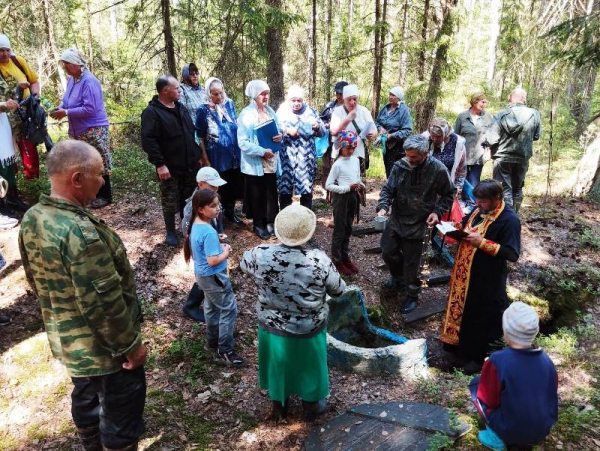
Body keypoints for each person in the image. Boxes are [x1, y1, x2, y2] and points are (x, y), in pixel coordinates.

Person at [18, 140, 147, 451]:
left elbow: (35, 280)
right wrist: (131, 348)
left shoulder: (34, 217)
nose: (103, 180)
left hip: (69, 342)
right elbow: (103, 305)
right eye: (100, 175)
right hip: (106, 352)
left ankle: (90, 442)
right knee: (120, 419)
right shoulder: (80, 234)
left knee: (86, 397)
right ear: (76, 179)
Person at [240, 205, 346, 422]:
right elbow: (339, 290)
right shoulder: (319, 260)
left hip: (272, 325)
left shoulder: (260, 254)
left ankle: (279, 405)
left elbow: (242, 264)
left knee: (279, 363)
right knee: (310, 364)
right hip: (309, 327)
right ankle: (311, 405)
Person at [440, 179, 521, 374]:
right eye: (477, 200)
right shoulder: (479, 210)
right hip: (463, 274)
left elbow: (512, 254)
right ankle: (456, 349)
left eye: (483, 201)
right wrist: (456, 228)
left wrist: (483, 243)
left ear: (496, 199)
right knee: (462, 310)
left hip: (486, 279)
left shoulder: (509, 220)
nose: (478, 204)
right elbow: (468, 224)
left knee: (480, 316)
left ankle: (476, 358)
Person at [377, 134, 455, 314]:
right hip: (397, 219)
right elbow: (388, 189)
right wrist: (383, 206)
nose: (409, 159)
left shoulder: (438, 170)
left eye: (413, 157)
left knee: (413, 263)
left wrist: (437, 212)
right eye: (407, 155)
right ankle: (398, 278)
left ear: (425, 153)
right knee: (388, 251)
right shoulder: (400, 166)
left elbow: (449, 194)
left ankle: (412, 294)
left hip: (421, 223)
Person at [469, 302, 558, 450]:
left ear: (505, 332)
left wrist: (488, 368)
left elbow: (488, 399)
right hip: (542, 430)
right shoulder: (546, 360)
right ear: (536, 331)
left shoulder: (497, 360)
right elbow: (550, 392)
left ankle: (496, 437)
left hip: (511, 430)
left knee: (475, 385)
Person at [183, 188, 245, 367]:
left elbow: (201, 244)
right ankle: (225, 350)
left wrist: (215, 240)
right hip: (213, 275)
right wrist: (225, 251)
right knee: (228, 308)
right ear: (200, 209)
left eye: (218, 205)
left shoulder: (196, 224)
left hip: (202, 276)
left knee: (211, 307)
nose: (217, 209)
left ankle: (212, 340)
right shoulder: (208, 231)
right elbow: (212, 260)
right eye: (212, 206)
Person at [141, 75, 203, 246]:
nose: (180, 91)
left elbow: (191, 133)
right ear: (165, 90)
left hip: (189, 164)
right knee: (169, 200)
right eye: (176, 88)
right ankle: (170, 232)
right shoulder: (152, 113)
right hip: (169, 167)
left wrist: (197, 156)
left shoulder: (181, 108)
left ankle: (187, 227)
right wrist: (160, 164)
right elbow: (148, 141)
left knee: (189, 198)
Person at [50, 48, 112, 209]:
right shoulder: (72, 80)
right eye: (64, 64)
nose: (65, 67)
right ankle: (90, 193)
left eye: (67, 64)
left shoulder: (89, 81)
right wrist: (61, 108)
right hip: (79, 130)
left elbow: (90, 109)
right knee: (84, 162)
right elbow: (67, 100)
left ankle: (105, 195)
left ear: (77, 65)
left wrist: (67, 112)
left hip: (94, 129)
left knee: (99, 160)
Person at [180, 167, 227, 322]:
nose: (215, 189)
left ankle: (207, 302)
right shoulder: (192, 207)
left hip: (211, 245)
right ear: (200, 184)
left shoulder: (211, 201)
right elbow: (188, 232)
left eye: (217, 186)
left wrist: (217, 237)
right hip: (203, 251)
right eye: (212, 186)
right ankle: (191, 306)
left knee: (209, 277)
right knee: (205, 276)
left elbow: (215, 223)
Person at [237, 79, 282, 240]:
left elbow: (278, 128)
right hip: (255, 162)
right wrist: (262, 151)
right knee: (258, 194)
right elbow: (242, 142)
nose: (266, 96)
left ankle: (271, 222)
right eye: (263, 93)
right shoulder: (246, 115)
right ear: (255, 95)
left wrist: (280, 135)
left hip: (271, 160)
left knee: (271, 192)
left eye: (267, 93)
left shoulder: (270, 111)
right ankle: (259, 224)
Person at [487, 87, 541, 213]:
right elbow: (537, 136)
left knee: (503, 189)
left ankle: (506, 218)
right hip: (523, 158)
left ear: (511, 98)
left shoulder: (501, 114)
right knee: (517, 189)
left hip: (502, 158)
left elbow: (492, 139)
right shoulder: (534, 114)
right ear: (524, 99)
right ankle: (514, 216)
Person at [196, 77, 242, 224]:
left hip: (234, 154)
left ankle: (230, 212)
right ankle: (217, 217)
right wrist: (205, 159)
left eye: (221, 93)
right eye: (215, 94)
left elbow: (235, 124)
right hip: (216, 155)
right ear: (209, 93)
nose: (219, 97)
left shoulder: (229, 104)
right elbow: (200, 137)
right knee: (218, 186)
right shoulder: (203, 110)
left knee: (234, 184)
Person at [276, 84, 325, 210]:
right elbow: (275, 128)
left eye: (299, 100)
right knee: (285, 190)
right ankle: (285, 219)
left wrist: (317, 126)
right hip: (286, 158)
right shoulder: (281, 111)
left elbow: (323, 131)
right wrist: (287, 130)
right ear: (288, 100)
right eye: (293, 100)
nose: (296, 103)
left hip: (305, 158)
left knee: (306, 191)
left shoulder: (311, 111)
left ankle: (306, 220)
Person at [0, 33, 41, 181]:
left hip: (24, 113)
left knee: (28, 144)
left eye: (7, 50)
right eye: (1, 50)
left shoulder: (18, 61)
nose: (5, 54)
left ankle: (32, 178)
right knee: (7, 148)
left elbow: (34, 81)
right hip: (3, 116)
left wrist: (35, 98)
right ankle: (11, 183)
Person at [326, 130, 364, 276]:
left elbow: (356, 177)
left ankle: (345, 257)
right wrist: (347, 188)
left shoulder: (355, 160)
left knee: (348, 228)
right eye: (348, 148)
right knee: (339, 230)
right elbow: (328, 185)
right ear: (341, 146)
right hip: (341, 199)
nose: (351, 150)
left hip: (353, 197)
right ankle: (337, 260)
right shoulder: (338, 164)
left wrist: (360, 184)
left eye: (353, 148)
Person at [330, 84, 377, 175]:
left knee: (357, 185)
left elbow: (374, 129)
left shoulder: (364, 111)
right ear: (344, 100)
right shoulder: (337, 111)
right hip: (340, 154)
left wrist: (372, 134)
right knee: (339, 185)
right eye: (349, 99)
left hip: (358, 154)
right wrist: (348, 118)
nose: (352, 102)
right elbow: (333, 131)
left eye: (355, 99)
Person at [454, 92, 494, 189]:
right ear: (474, 102)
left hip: (479, 155)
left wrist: (489, 151)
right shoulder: (462, 117)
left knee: (474, 179)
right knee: (462, 179)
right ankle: (463, 201)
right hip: (464, 153)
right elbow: (455, 135)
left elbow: (492, 136)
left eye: (485, 103)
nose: (484, 105)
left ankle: (472, 201)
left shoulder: (488, 117)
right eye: (482, 102)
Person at [375, 86, 413, 177]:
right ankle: (390, 190)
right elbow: (377, 122)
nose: (390, 97)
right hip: (387, 147)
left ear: (399, 97)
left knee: (398, 174)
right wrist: (380, 128)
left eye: (393, 95)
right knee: (389, 172)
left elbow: (407, 130)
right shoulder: (385, 108)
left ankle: (398, 191)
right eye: (390, 94)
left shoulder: (404, 110)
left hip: (399, 149)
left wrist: (392, 136)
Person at [0, 74, 23, 226]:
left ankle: (11, 201)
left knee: (6, 166)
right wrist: (4, 105)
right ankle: (1, 212)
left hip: (2, 124)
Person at [422, 117, 466, 194]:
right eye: (433, 135)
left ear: (446, 134)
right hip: (426, 186)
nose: (435, 139)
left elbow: (461, 169)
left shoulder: (458, 144)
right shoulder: (424, 139)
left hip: (447, 186)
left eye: (438, 136)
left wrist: (457, 189)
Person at [319, 80, 348, 196]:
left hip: (346, 143)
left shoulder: (351, 107)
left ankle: (342, 192)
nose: (339, 96)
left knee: (343, 167)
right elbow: (321, 120)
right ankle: (328, 194)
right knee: (327, 167)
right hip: (330, 142)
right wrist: (328, 124)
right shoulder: (329, 107)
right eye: (337, 93)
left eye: (341, 94)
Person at [179, 63, 207, 127]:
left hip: (208, 127)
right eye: (192, 74)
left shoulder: (202, 90)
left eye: (197, 73)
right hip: (193, 129)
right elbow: (182, 113)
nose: (195, 76)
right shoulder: (182, 90)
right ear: (186, 76)